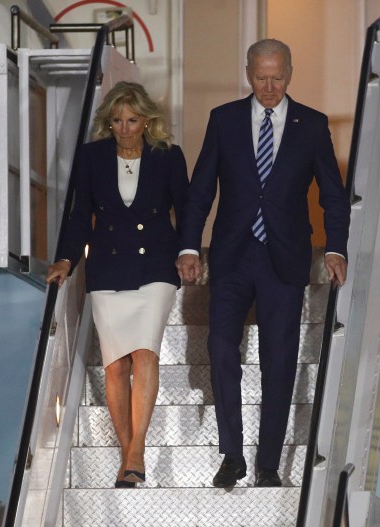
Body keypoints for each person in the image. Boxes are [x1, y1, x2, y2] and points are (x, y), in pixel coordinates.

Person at [177, 39, 351, 488]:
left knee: (280, 360)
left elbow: (333, 194)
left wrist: (335, 248)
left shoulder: (311, 125)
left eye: (277, 77)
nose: (269, 86)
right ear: (247, 72)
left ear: (290, 73)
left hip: (285, 258)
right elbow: (201, 189)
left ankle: (269, 464)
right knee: (219, 348)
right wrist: (189, 247)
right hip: (233, 255)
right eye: (260, 77)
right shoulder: (224, 119)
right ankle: (232, 455)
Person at [46, 81, 188, 488]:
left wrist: (187, 251)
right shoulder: (91, 158)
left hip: (156, 268)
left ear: (147, 120)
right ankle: (129, 456)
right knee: (114, 364)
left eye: (132, 120)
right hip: (107, 268)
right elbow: (79, 216)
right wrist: (67, 259)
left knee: (145, 354)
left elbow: (187, 206)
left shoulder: (168, 156)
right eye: (117, 121)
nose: (125, 128)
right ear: (109, 123)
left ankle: (137, 450)